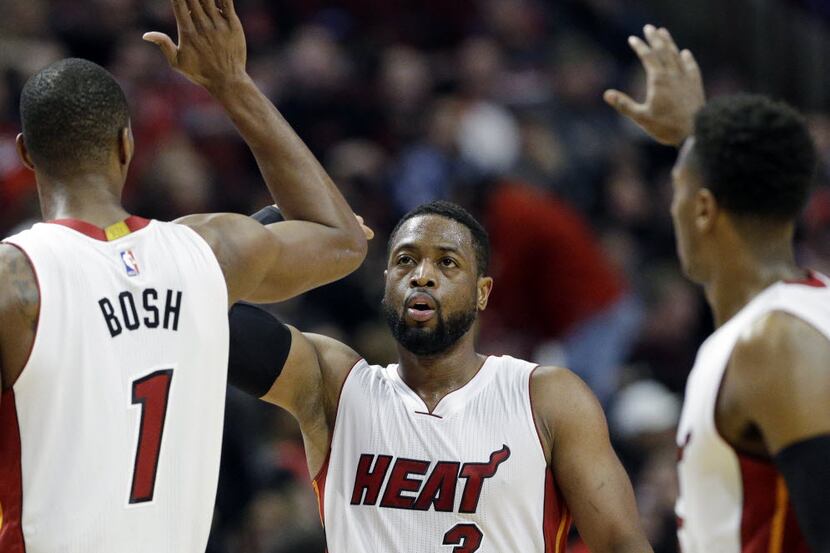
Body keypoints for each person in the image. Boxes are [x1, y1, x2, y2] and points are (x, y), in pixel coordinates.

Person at [0, 0, 368, 551]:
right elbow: (340, 237)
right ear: (127, 145)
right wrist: (231, 84)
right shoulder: (210, 252)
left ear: (26, 153)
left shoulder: (14, 282)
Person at [229, 201, 653, 553]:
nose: (422, 274)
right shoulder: (335, 387)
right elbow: (206, 310)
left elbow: (620, 543)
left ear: (483, 291)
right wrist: (268, 229)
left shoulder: (545, 397)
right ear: (387, 283)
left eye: (447, 262)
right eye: (405, 261)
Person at [605, 25, 830, 553]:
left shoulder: (773, 344)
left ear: (703, 208)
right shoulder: (804, 310)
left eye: (677, 192)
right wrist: (699, 136)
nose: (670, 206)